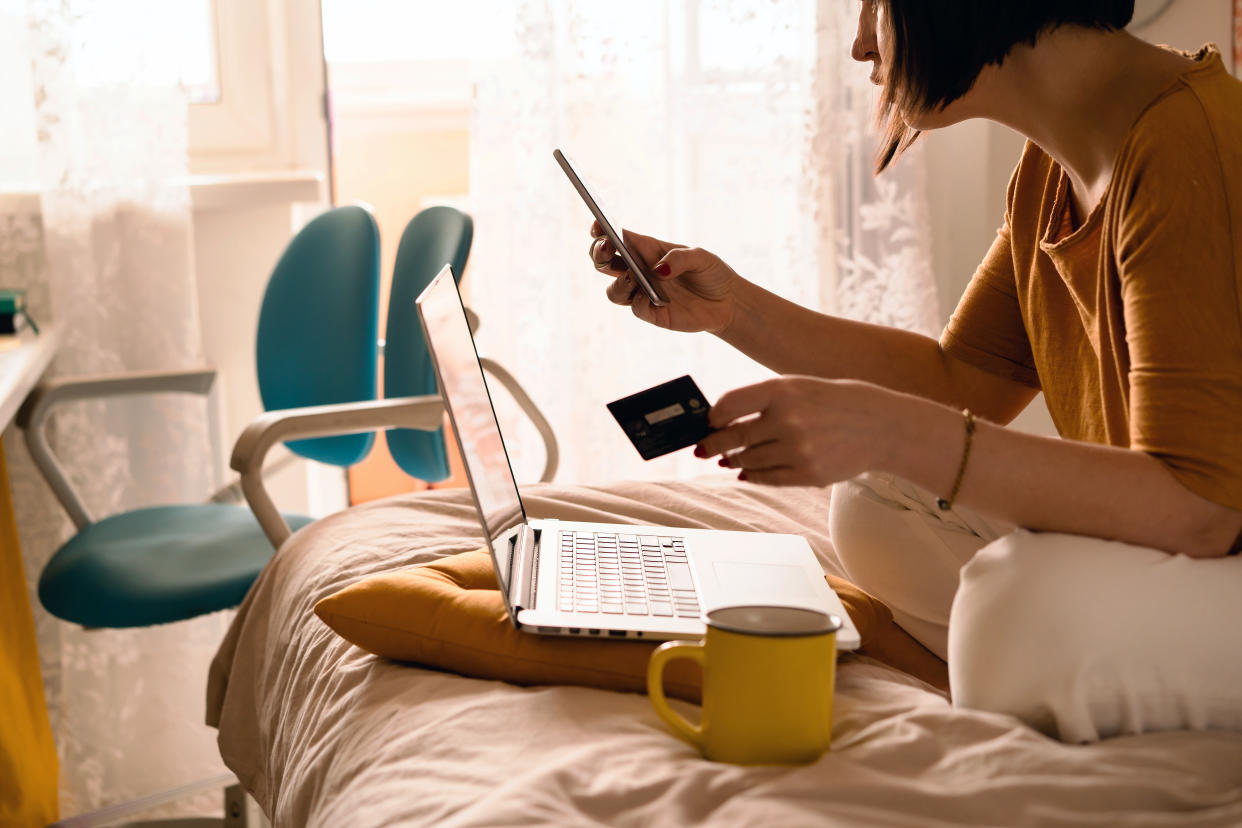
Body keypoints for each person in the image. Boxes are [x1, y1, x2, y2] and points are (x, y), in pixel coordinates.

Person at [587, 0, 1242, 743]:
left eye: (876, 5)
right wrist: (733, 309)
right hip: (1191, 536)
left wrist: (892, 429)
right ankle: (1040, 672)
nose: (864, 43)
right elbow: (960, 380)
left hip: (1214, 537)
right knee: (878, 493)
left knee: (1012, 604)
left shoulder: (1190, 144)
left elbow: (1201, 508)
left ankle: (1029, 666)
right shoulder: (1053, 166)